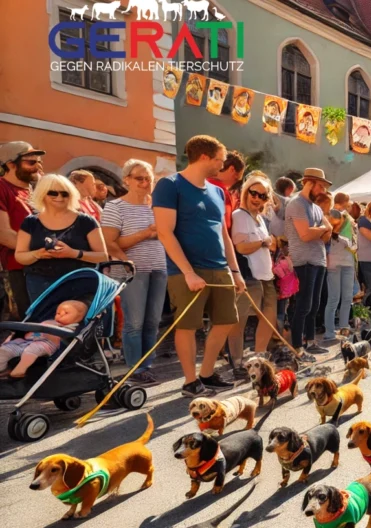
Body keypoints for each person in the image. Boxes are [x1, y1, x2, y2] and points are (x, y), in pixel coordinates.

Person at [153, 135, 246, 397]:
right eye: (219, 159)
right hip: (186, 270)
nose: (222, 164)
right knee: (188, 325)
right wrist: (188, 272)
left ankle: (207, 373)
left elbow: (224, 235)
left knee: (227, 320)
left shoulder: (218, 191)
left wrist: (235, 270)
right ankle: (190, 381)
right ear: (204, 157)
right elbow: (165, 232)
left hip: (220, 267)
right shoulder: (169, 185)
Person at [101, 159, 167, 386]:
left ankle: (147, 366)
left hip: (159, 268)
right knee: (134, 322)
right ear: (126, 179)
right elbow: (109, 242)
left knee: (153, 321)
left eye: (149, 179)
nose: (145, 183)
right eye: (139, 178)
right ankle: (134, 369)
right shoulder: (115, 206)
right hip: (131, 271)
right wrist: (145, 234)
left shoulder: (157, 206)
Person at [15, 174, 109, 299]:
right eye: (53, 193)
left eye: (65, 194)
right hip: (40, 284)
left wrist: (74, 253)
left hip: (79, 282)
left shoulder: (86, 221)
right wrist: (38, 254)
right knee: (44, 319)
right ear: (42, 194)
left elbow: (102, 256)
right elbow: (20, 255)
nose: (59, 197)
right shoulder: (31, 222)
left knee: (75, 318)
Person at [228, 174, 278, 370]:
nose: (257, 198)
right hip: (248, 276)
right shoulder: (239, 215)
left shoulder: (260, 218)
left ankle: (259, 357)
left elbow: (267, 245)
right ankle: (238, 362)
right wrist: (264, 242)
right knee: (239, 322)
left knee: (269, 317)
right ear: (245, 191)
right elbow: (240, 247)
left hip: (266, 275)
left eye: (263, 196)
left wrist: (268, 244)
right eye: (254, 193)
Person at [286, 167, 333, 359]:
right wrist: (321, 229)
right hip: (303, 260)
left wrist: (319, 230)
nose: (322, 191)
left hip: (318, 259)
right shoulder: (296, 204)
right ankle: (298, 346)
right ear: (310, 183)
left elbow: (329, 232)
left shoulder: (315, 207)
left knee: (314, 305)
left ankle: (311, 341)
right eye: (320, 186)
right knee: (303, 305)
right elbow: (305, 234)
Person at [0, 141, 46, 319]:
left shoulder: (33, 192)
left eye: (39, 162)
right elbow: (4, 235)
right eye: (31, 163)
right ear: (11, 164)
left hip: (39, 268)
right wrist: (39, 251)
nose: (38, 167)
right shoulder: (2, 187)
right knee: (21, 325)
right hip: (15, 270)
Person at [0, 300, 87, 378]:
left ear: (79, 317)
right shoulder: (48, 322)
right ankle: (3, 369)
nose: (60, 315)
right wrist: (33, 334)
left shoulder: (73, 328)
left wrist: (45, 331)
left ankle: (19, 370)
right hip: (28, 342)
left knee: (34, 348)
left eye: (66, 313)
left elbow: (59, 337)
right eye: (58, 313)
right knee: (6, 348)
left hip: (49, 345)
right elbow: (35, 333)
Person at [322, 192, 357, 341]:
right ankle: (329, 332)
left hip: (348, 261)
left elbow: (351, 241)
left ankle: (344, 328)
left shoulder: (348, 221)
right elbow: (328, 237)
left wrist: (345, 240)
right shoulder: (329, 218)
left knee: (348, 298)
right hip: (334, 263)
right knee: (334, 298)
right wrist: (340, 238)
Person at [209, 150, 246, 233]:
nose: (234, 184)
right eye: (236, 179)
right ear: (232, 170)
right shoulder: (222, 192)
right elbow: (226, 225)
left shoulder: (200, 182)